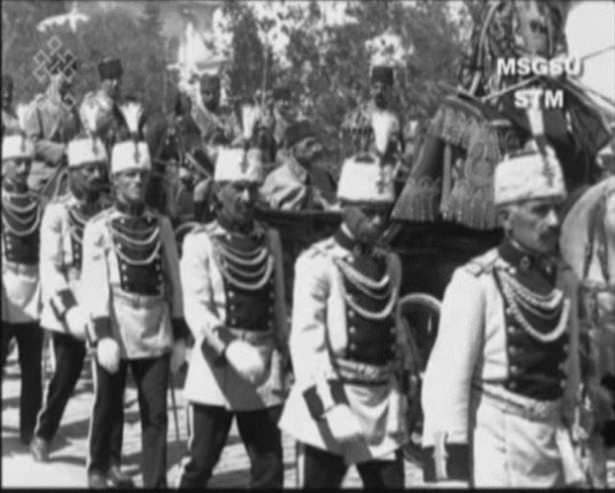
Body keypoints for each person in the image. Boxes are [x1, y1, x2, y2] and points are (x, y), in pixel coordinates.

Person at [420, 146, 586, 487]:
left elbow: (569, 374)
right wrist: (448, 476)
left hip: (552, 454)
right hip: (497, 456)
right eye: (539, 210)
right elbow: (445, 386)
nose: (553, 221)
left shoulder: (564, 281)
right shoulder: (476, 283)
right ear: (507, 218)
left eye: (556, 209)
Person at [278, 156, 411, 488]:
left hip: (380, 406)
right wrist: (330, 406)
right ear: (345, 207)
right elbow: (306, 343)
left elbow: (393, 330)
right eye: (368, 210)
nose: (378, 220)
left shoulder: (390, 264)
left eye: (384, 210)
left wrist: (404, 382)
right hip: (332, 401)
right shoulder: (318, 263)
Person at [80, 137, 191, 488]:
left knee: (156, 413)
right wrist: (102, 335)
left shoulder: (161, 225)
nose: (137, 181)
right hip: (117, 323)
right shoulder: (99, 227)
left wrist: (180, 331)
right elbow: (94, 284)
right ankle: (100, 465)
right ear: (115, 180)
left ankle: (155, 482)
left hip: (155, 326)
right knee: (108, 404)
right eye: (129, 175)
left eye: (141, 174)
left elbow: (174, 279)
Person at [177, 147, 288, 488]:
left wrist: (286, 352)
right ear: (218, 190)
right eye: (238, 188)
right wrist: (231, 347)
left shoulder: (269, 239)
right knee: (200, 463)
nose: (247, 197)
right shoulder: (200, 242)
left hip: (262, 371)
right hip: (219, 368)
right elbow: (196, 308)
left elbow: (277, 302)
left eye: (252, 188)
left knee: (270, 468)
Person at [29, 132, 133, 485]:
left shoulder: (110, 213)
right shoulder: (57, 212)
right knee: (66, 376)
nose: (94, 176)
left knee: (112, 385)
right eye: (86, 169)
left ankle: (109, 460)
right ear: (71, 172)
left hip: (105, 303)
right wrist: (69, 311)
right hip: (71, 303)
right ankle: (44, 431)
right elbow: (50, 268)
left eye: (98, 168)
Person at [1, 133, 44, 447]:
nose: (23, 168)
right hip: (4, 290)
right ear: (3, 165)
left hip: (33, 289)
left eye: (26, 162)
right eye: (16, 162)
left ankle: (30, 429)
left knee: (32, 368)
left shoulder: (38, 204)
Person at [23, 53, 80, 195]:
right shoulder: (37, 107)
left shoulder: (72, 109)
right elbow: (33, 143)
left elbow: (78, 137)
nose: (70, 80)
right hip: (43, 177)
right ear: (52, 75)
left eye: (72, 75)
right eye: (65, 74)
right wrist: (62, 150)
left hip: (69, 174)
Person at [340, 64, 410, 175]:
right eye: (376, 87)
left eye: (384, 88)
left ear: (391, 91)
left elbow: (405, 151)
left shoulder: (398, 119)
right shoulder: (355, 117)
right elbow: (345, 149)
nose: (379, 92)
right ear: (371, 89)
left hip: (386, 175)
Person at [260, 120, 336, 211]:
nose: (316, 149)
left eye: (316, 143)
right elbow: (264, 210)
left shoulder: (324, 176)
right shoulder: (276, 179)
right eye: (309, 144)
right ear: (292, 149)